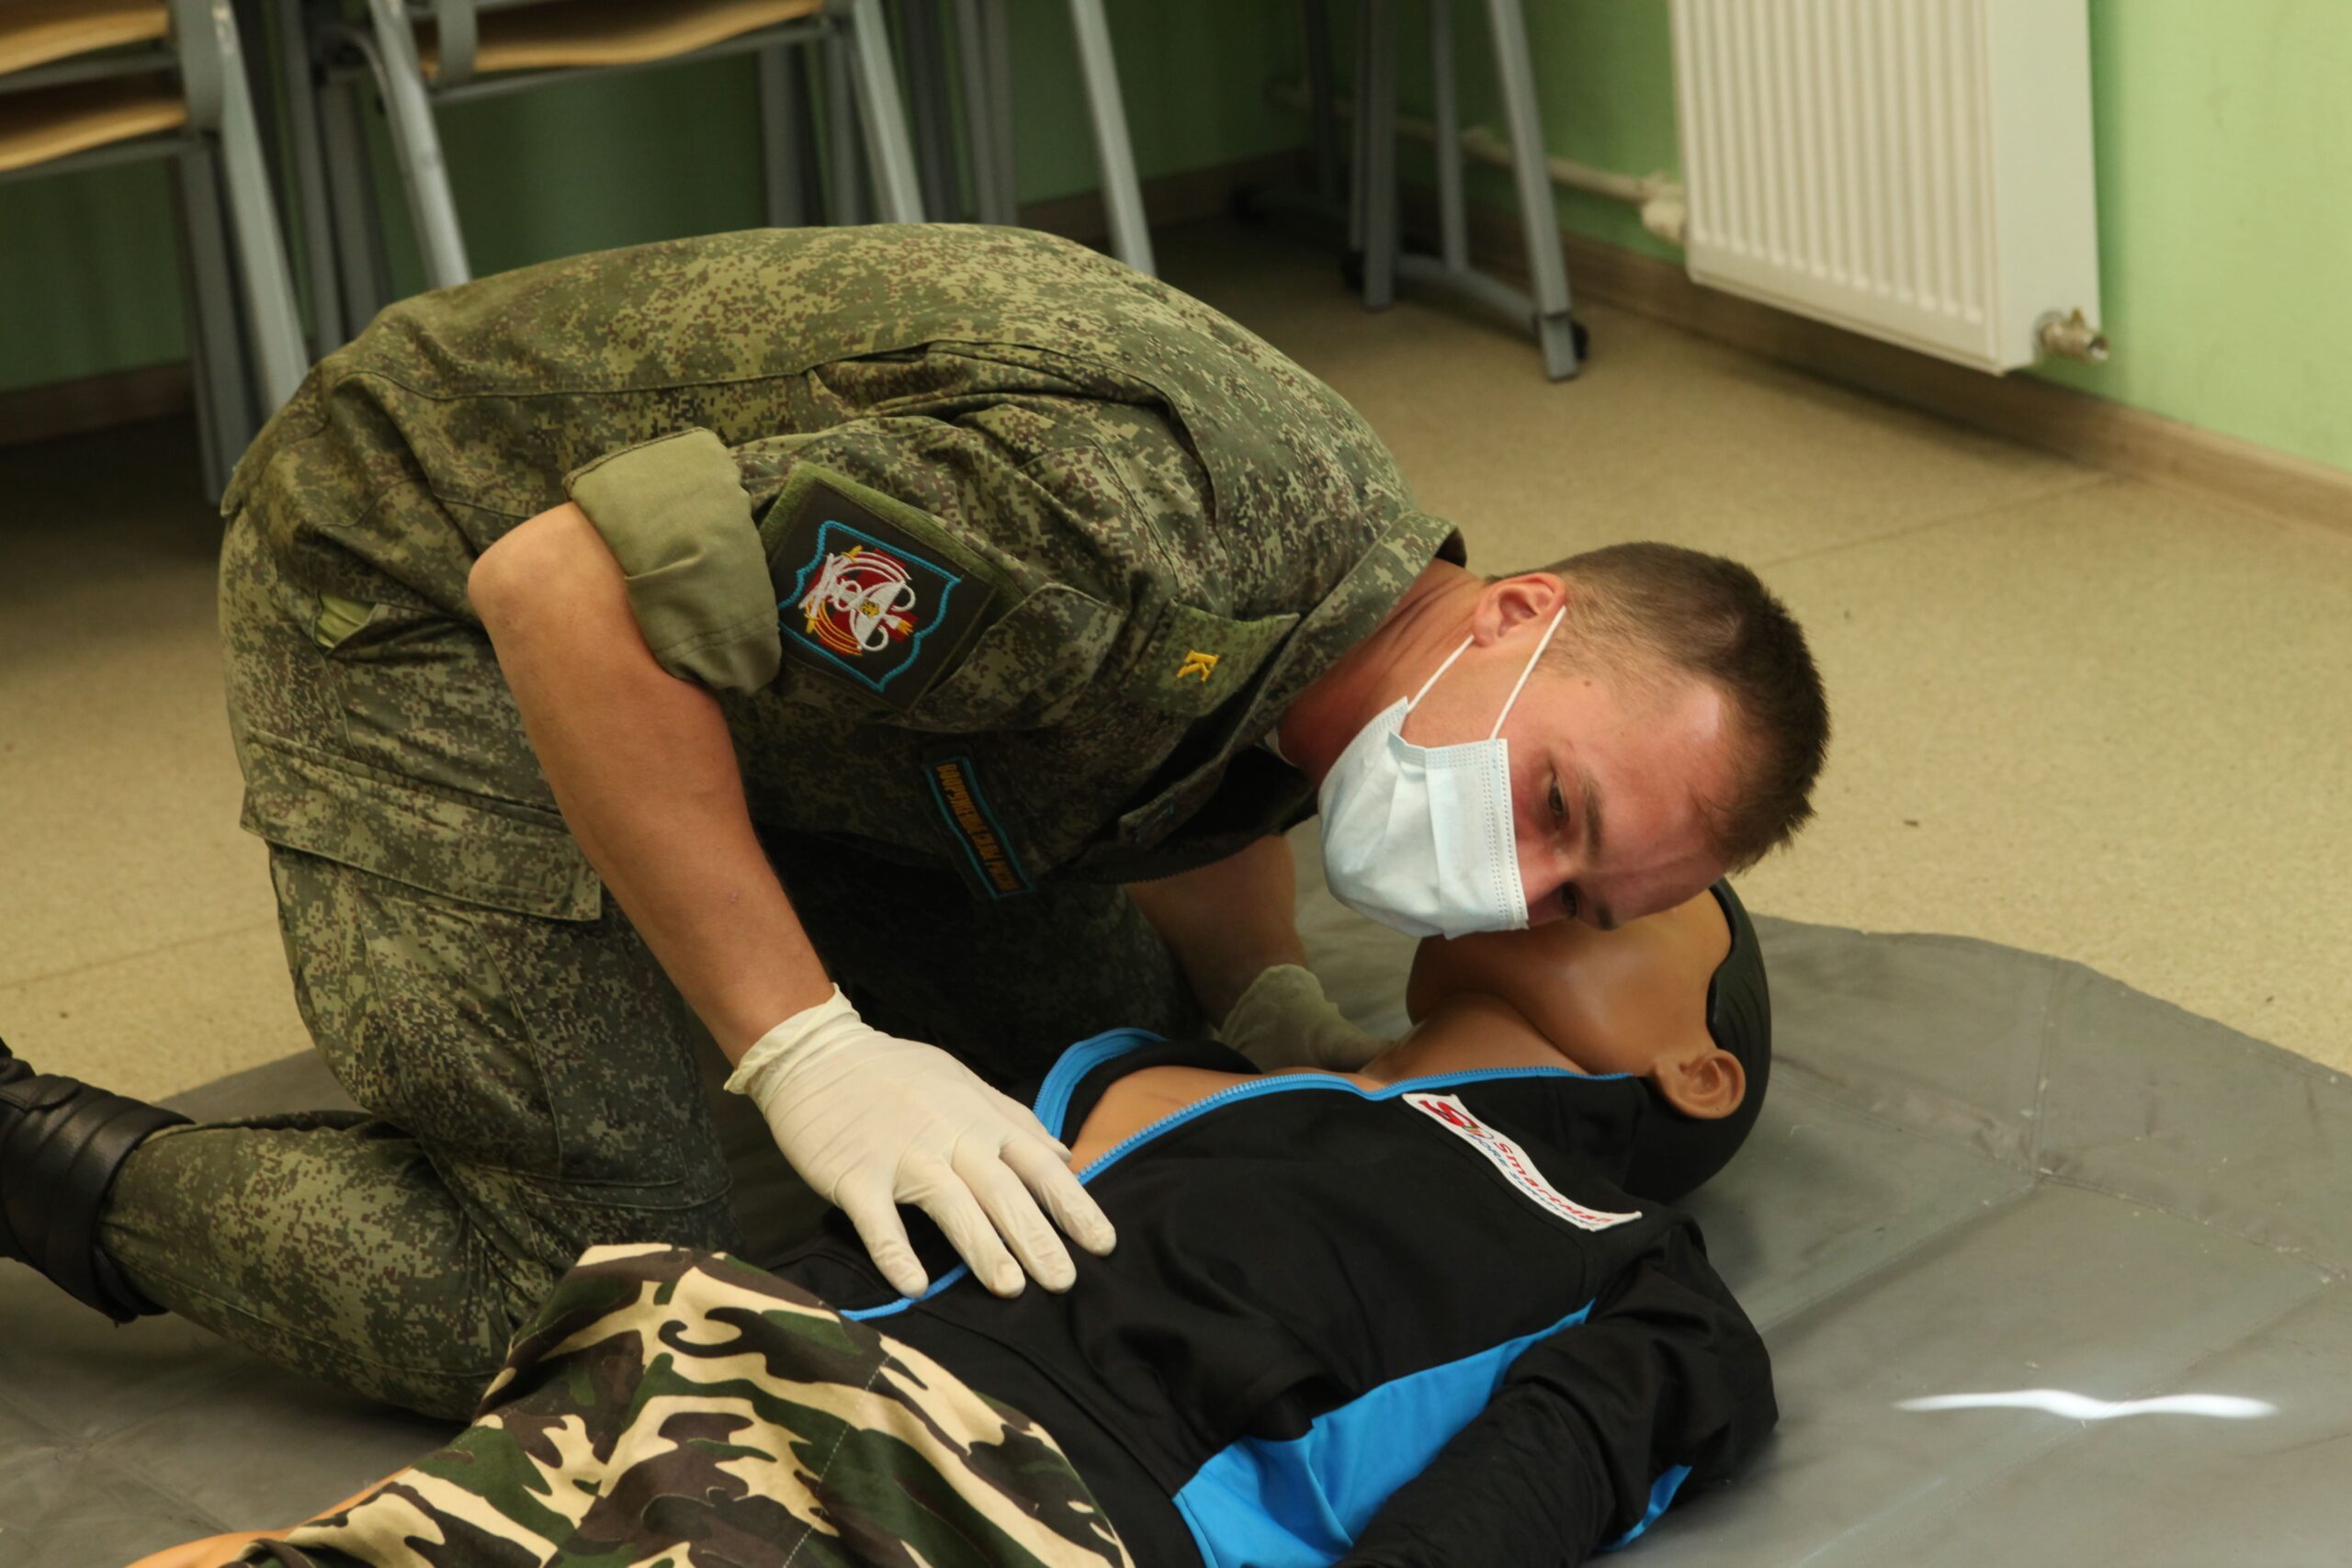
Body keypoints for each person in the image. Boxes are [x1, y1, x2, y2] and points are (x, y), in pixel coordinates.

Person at [1, 224, 1826, 1418]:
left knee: (1060, 1088)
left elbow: (1190, 760)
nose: (1515, 876)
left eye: (1581, 889)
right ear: (1510, 609)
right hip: (431, 563)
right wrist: (801, 1045)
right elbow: (566, 588)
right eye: (1552, 801)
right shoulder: (1127, 532)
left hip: (757, 671)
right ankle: (48, 1156)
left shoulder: (1356, 636)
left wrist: (1268, 1005)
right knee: (602, 1300)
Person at [131, 881, 1777, 1568]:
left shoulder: (1623, 1261)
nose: (1568, 873)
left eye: (1633, 896)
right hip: (699, 1349)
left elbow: (1519, 1500)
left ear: (1700, 1073)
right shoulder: (1168, 1071)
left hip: (992, 1495)